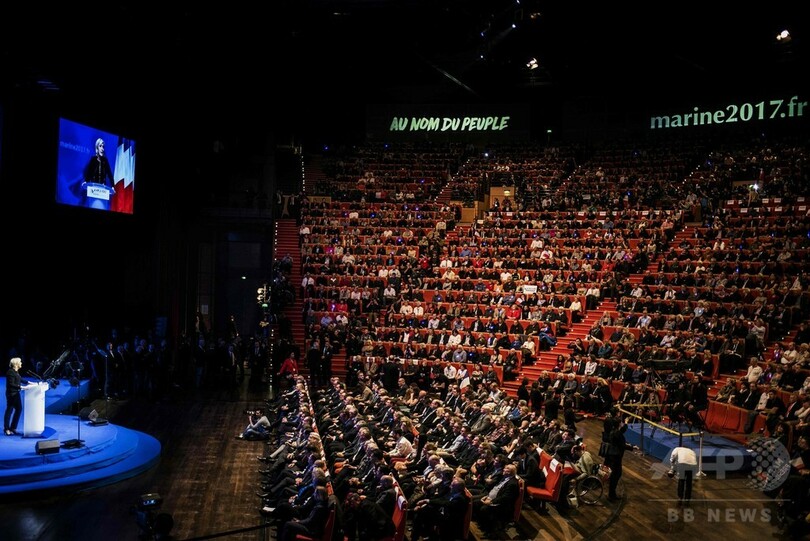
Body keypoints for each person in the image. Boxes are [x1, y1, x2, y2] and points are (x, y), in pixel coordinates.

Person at [5, 357, 29, 436]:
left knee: (19, 409)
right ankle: (6, 429)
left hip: (16, 393)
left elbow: (20, 379)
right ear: (16, 364)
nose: (21, 363)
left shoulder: (16, 372)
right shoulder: (10, 372)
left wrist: (30, 383)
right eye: (20, 362)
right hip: (11, 394)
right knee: (9, 410)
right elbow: (11, 384)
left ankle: (13, 428)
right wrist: (21, 387)